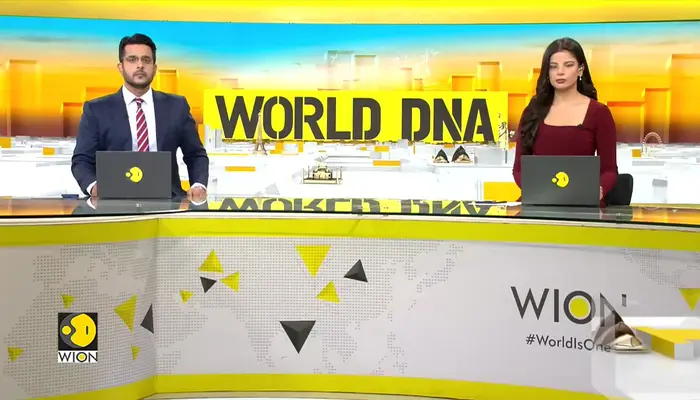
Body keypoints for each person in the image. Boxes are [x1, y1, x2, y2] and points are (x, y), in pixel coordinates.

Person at [71, 33, 209, 201]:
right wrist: (94, 186)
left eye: (146, 60)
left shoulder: (176, 106)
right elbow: (82, 160)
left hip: (168, 202)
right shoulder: (96, 110)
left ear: (154, 68)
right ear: (120, 67)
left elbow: (195, 154)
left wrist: (198, 185)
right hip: (113, 202)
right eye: (132, 59)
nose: (140, 65)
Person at [512, 37, 618, 203]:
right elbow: (519, 170)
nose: (560, 72)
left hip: (583, 202)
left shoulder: (599, 113)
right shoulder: (532, 112)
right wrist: (537, 191)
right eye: (553, 67)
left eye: (568, 65)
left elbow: (609, 170)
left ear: (580, 69)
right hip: (538, 201)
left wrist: (598, 190)